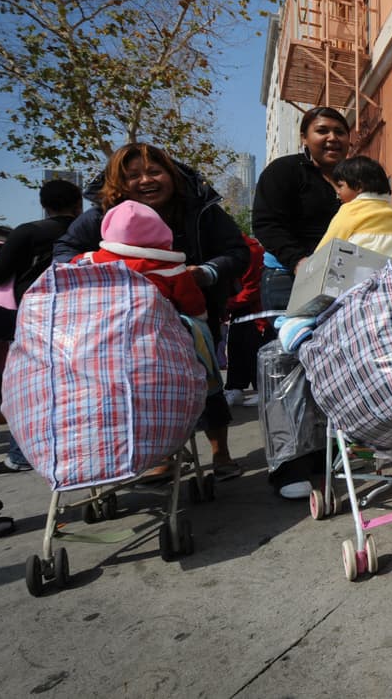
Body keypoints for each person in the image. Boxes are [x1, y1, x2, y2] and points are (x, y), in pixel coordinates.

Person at [55, 143, 249, 481]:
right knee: (148, 389)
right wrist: (100, 272)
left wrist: (205, 272)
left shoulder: (200, 208)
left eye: (154, 172)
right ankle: (162, 454)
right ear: (119, 182)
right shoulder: (104, 212)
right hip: (124, 325)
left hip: (193, 315)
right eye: (133, 176)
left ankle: (221, 452)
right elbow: (64, 251)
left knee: (207, 381)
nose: (146, 180)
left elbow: (236, 251)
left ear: (171, 175)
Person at [252, 106, 349, 499]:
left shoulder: (352, 177)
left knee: (332, 364)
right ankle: (288, 464)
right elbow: (266, 223)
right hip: (288, 279)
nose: (332, 138)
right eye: (322, 130)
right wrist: (299, 261)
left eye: (340, 132)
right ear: (305, 136)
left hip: (339, 281)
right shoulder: (284, 172)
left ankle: (326, 455)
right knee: (285, 367)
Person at [0, 179, 83, 473]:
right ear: (78, 203)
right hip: (85, 315)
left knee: (34, 383)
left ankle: (22, 455)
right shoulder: (88, 231)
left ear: (44, 205)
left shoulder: (27, 232)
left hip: (36, 318)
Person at [73, 200, 206, 318]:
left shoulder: (87, 261)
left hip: (94, 334)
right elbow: (194, 306)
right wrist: (201, 318)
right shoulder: (173, 270)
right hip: (153, 337)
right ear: (161, 231)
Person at [316, 156, 392, 263]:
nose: (338, 192)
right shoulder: (390, 210)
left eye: (340, 186)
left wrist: (313, 262)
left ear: (358, 187)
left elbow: (331, 240)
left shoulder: (350, 210)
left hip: (365, 267)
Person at [223, 235, 265, 407]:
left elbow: (253, 288)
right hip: (238, 305)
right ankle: (235, 388)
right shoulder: (229, 250)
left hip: (255, 308)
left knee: (253, 346)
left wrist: (227, 305)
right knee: (235, 345)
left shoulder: (251, 250)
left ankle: (260, 389)